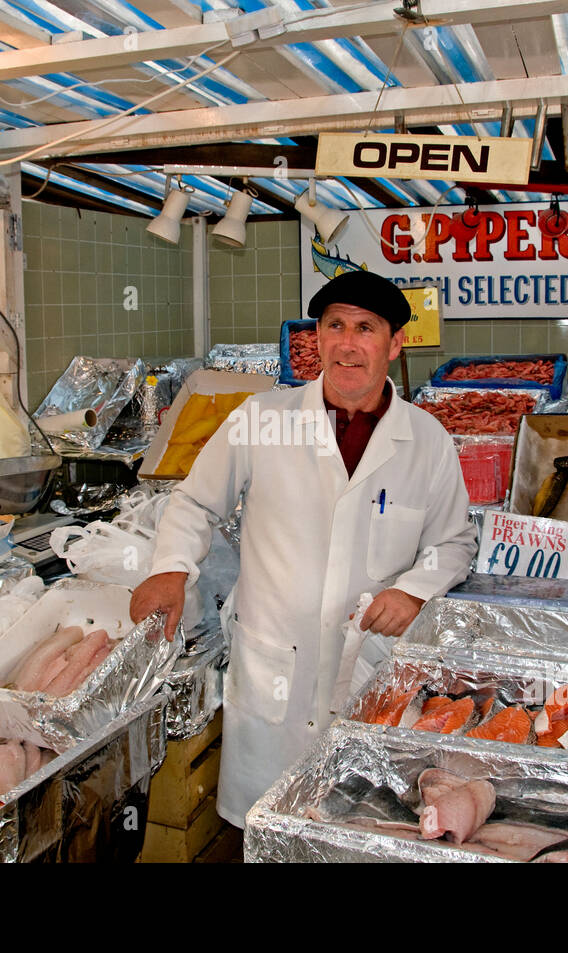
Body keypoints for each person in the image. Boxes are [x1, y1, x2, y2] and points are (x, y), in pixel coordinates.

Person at [129, 269, 477, 827]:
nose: (347, 342)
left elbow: (455, 541)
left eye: (365, 328)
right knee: (268, 827)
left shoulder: (427, 440)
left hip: (367, 669)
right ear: (316, 338)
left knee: (359, 829)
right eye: (334, 325)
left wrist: (414, 590)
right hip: (273, 672)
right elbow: (195, 503)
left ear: (394, 344)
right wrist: (171, 568)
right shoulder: (262, 419)